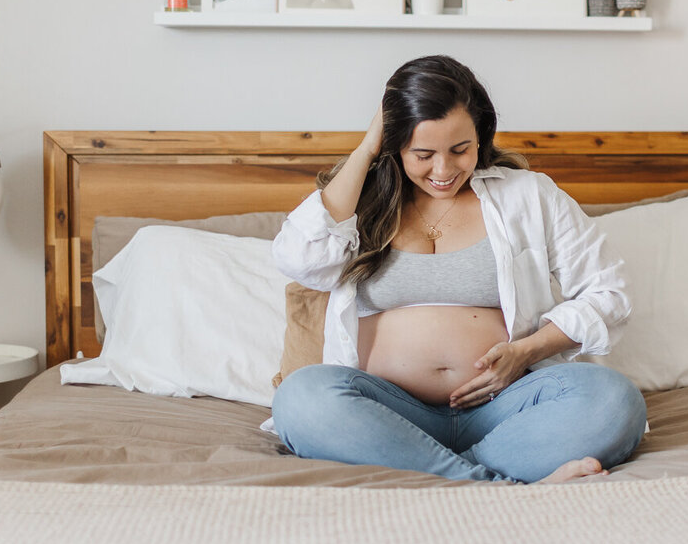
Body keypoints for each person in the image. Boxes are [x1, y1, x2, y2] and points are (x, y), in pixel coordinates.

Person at [271, 55, 645, 483]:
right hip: (387, 414)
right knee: (301, 397)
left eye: (460, 150)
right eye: (423, 154)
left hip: (505, 409)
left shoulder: (529, 195)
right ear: (395, 145)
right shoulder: (362, 202)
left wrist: (525, 352)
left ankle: (431, 474)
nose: (444, 170)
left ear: (480, 137)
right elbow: (300, 261)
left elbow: (610, 293)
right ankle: (492, 485)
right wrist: (367, 146)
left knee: (614, 400)